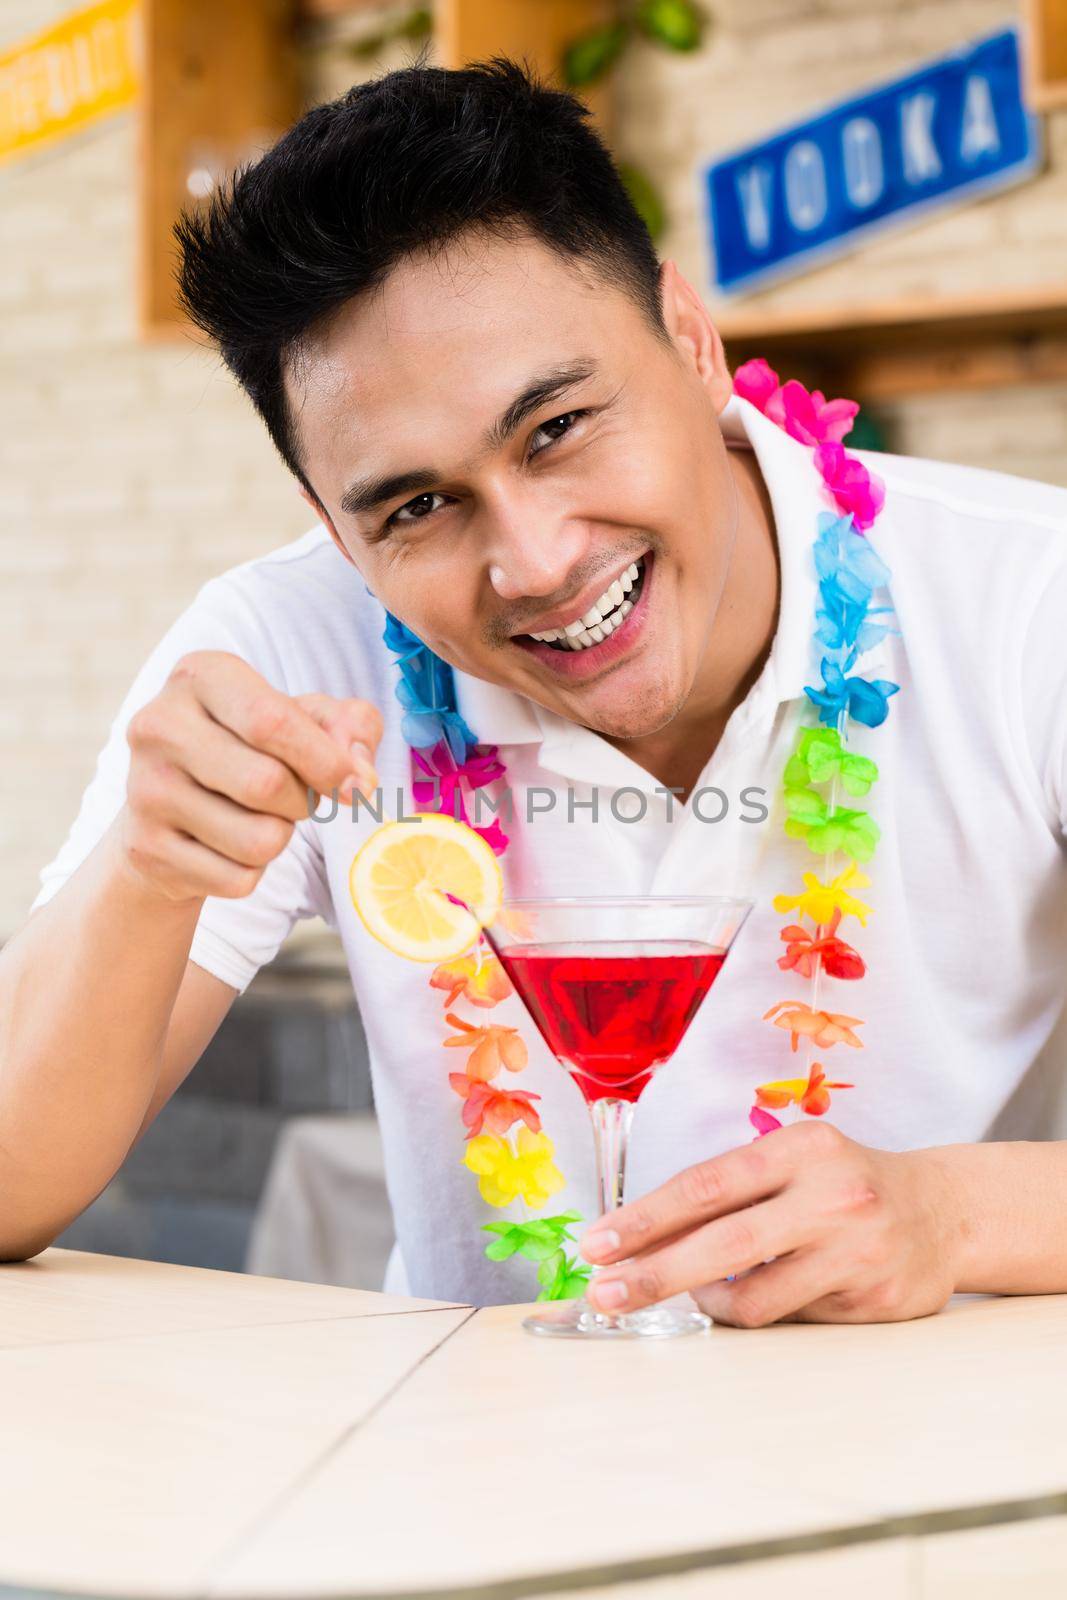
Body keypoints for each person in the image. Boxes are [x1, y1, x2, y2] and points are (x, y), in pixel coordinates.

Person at [3, 58, 1067, 1325]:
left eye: (556, 427)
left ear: (687, 336)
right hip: (475, 1480)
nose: (536, 561)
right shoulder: (282, 651)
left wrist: (948, 1214)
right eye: (415, 505)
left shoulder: (1024, 599)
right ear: (338, 537)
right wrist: (147, 868)